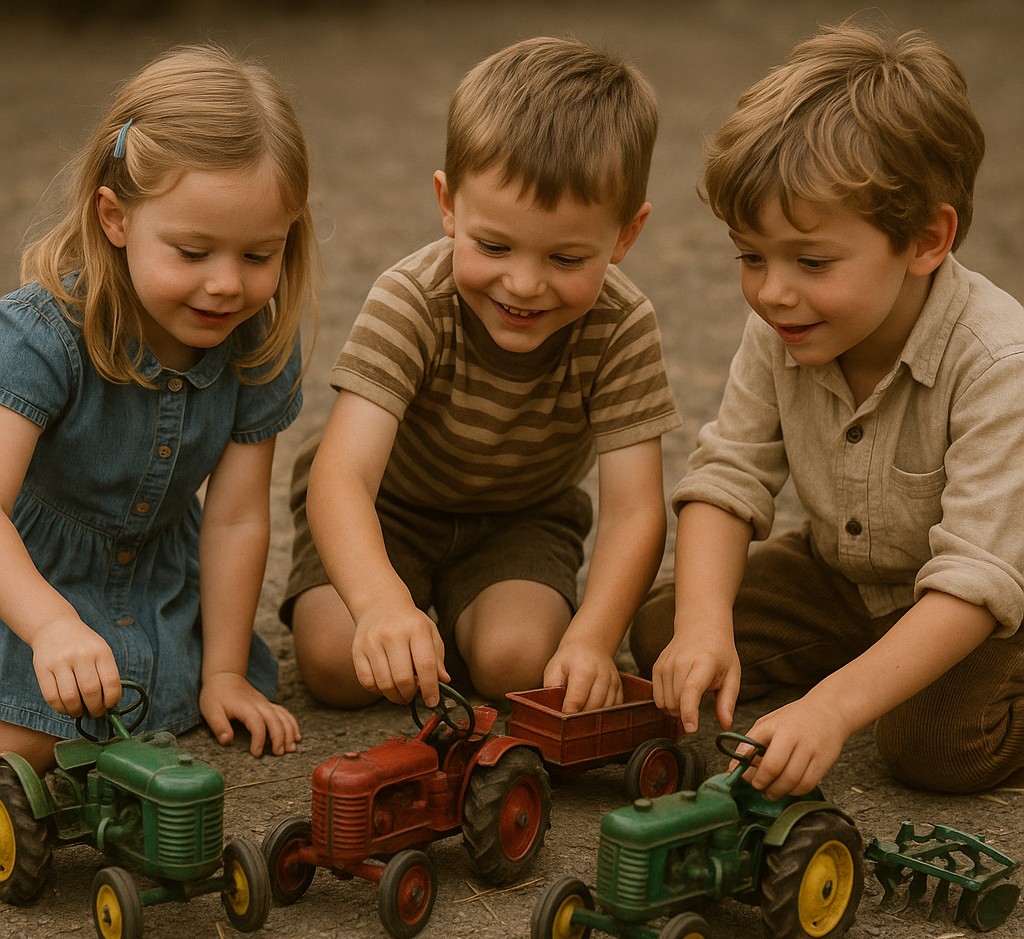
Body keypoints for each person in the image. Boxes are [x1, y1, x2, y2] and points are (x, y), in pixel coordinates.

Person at [629, 23, 1024, 797]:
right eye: (751, 256)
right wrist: (705, 624)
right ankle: (877, 663)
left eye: (811, 261)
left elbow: (975, 578)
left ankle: (884, 679)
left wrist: (831, 710)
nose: (773, 291)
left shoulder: (997, 362)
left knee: (932, 746)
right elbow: (729, 474)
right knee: (664, 631)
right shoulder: (787, 325)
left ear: (925, 239)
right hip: (849, 577)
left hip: (979, 604)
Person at [284, 36, 679, 714]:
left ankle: (464, 621)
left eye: (565, 259)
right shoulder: (410, 299)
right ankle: (413, 616)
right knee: (335, 663)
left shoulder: (621, 324)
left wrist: (592, 637)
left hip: (521, 518)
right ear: (449, 205)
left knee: (519, 664)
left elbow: (635, 510)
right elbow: (342, 476)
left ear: (624, 237)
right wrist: (380, 604)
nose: (524, 284)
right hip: (388, 509)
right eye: (493, 245)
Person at [0, 44, 320, 772]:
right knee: (37, 742)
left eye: (257, 255)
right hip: (24, 589)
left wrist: (227, 672)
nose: (226, 287)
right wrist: (51, 625)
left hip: (155, 591)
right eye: (192, 251)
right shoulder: (40, 335)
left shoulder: (258, 341)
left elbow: (239, 515)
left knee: (134, 728)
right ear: (115, 218)